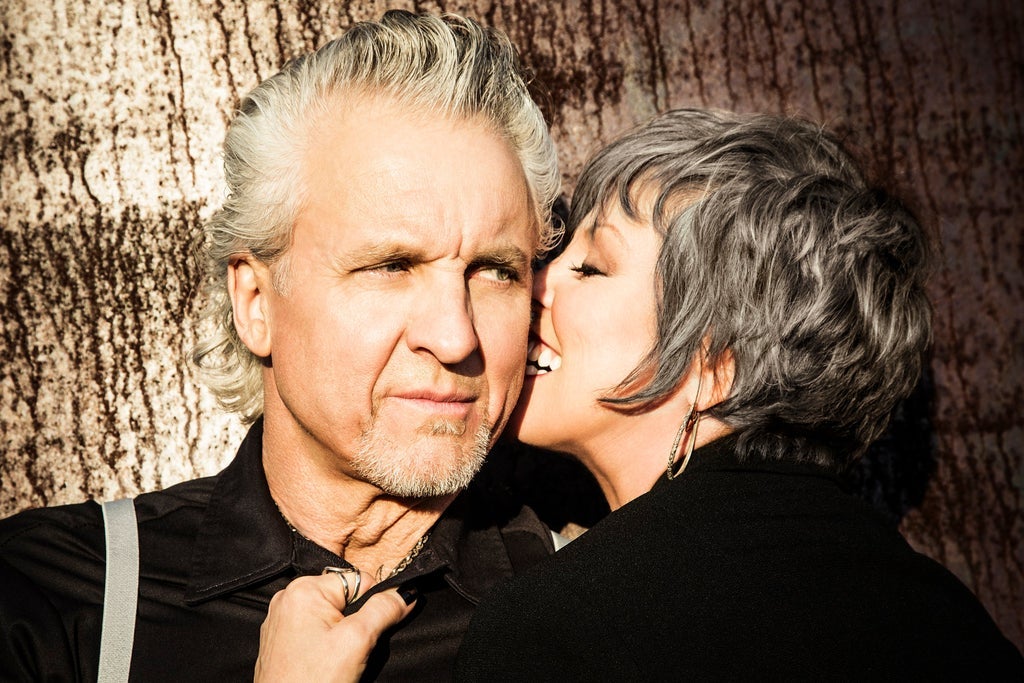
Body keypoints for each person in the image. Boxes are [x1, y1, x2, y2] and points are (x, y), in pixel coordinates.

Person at [0, 10, 562, 681]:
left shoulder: (602, 610)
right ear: (256, 303)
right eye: (390, 266)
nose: (454, 336)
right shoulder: (52, 602)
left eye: (495, 271)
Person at [452, 108, 1024, 679]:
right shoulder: (954, 624)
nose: (536, 282)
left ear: (714, 365)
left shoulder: (563, 629)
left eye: (591, 267)